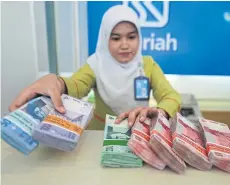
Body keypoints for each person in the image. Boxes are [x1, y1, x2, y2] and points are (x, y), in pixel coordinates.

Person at [9, 5, 181, 130]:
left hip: (138, 130)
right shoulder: (96, 63)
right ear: (105, 38)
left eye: (131, 37)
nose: (124, 45)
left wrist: (160, 111)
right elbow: (77, 85)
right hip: (100, 134)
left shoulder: (147, 65)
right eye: (115, 38)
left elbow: (170, 95)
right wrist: (57, 82)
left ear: (139, 37)